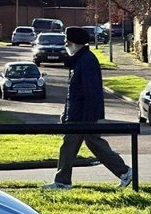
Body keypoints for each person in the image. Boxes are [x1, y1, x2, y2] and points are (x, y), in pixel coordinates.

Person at [44, 26, 133, 190]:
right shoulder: (82, 60)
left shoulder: (85, 61)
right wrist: (67, 113)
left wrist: (85, 118)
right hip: (80, 115)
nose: (65, 44)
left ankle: (62, 182)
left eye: (67, 41)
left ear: (73, 43)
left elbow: (90, 91)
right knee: (93, 144)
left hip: (81, 116)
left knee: (69, 146)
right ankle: (124, 172)